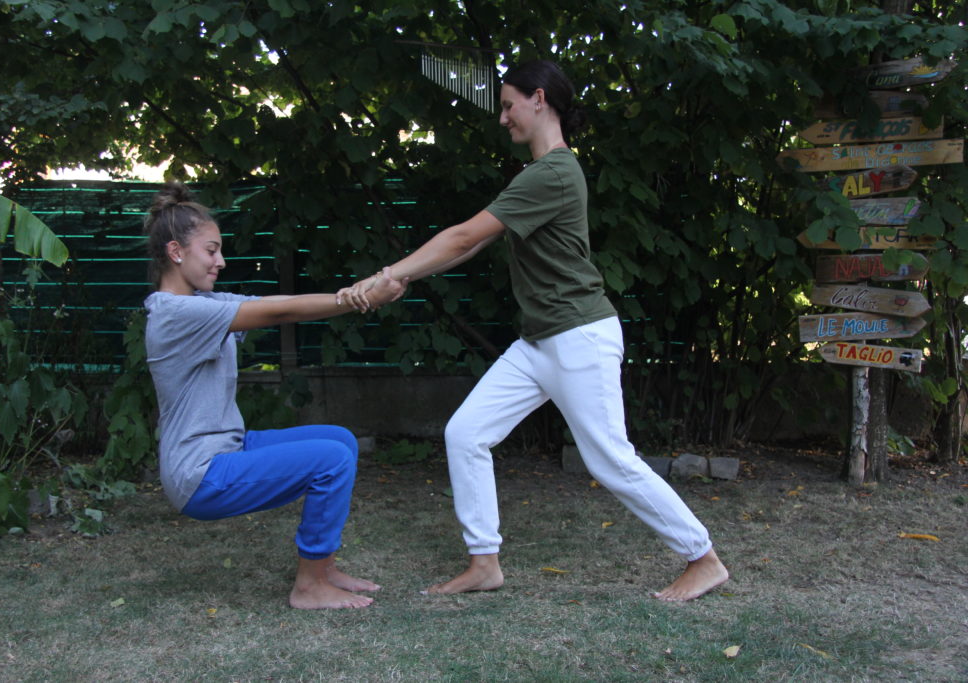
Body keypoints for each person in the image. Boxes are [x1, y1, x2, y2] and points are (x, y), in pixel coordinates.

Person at [339, 60, 728, 601]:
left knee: (610, 460)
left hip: (579, 336)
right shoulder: (535, 176)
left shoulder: (555, 173)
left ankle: (702, 557)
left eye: (507, 105)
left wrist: (389, 274)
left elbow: (462, 233)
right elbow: (473, 243)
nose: (502, 118)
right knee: (466, 433)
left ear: (538, 99)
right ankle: (484, 562)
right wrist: (404, 277)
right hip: (539, 340)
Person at [143, 182, 405, 610]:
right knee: (331, 460)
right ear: (176, 252)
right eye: (211, 251)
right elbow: (281, 312)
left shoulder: (203, 304)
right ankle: (309, 588)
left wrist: (363, 291)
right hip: (199, 474)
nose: (220, 262)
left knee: (339, 439)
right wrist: (358, 299)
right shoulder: (176, 313)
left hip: (225, 446)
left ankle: (324, 568)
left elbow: (278, 301)